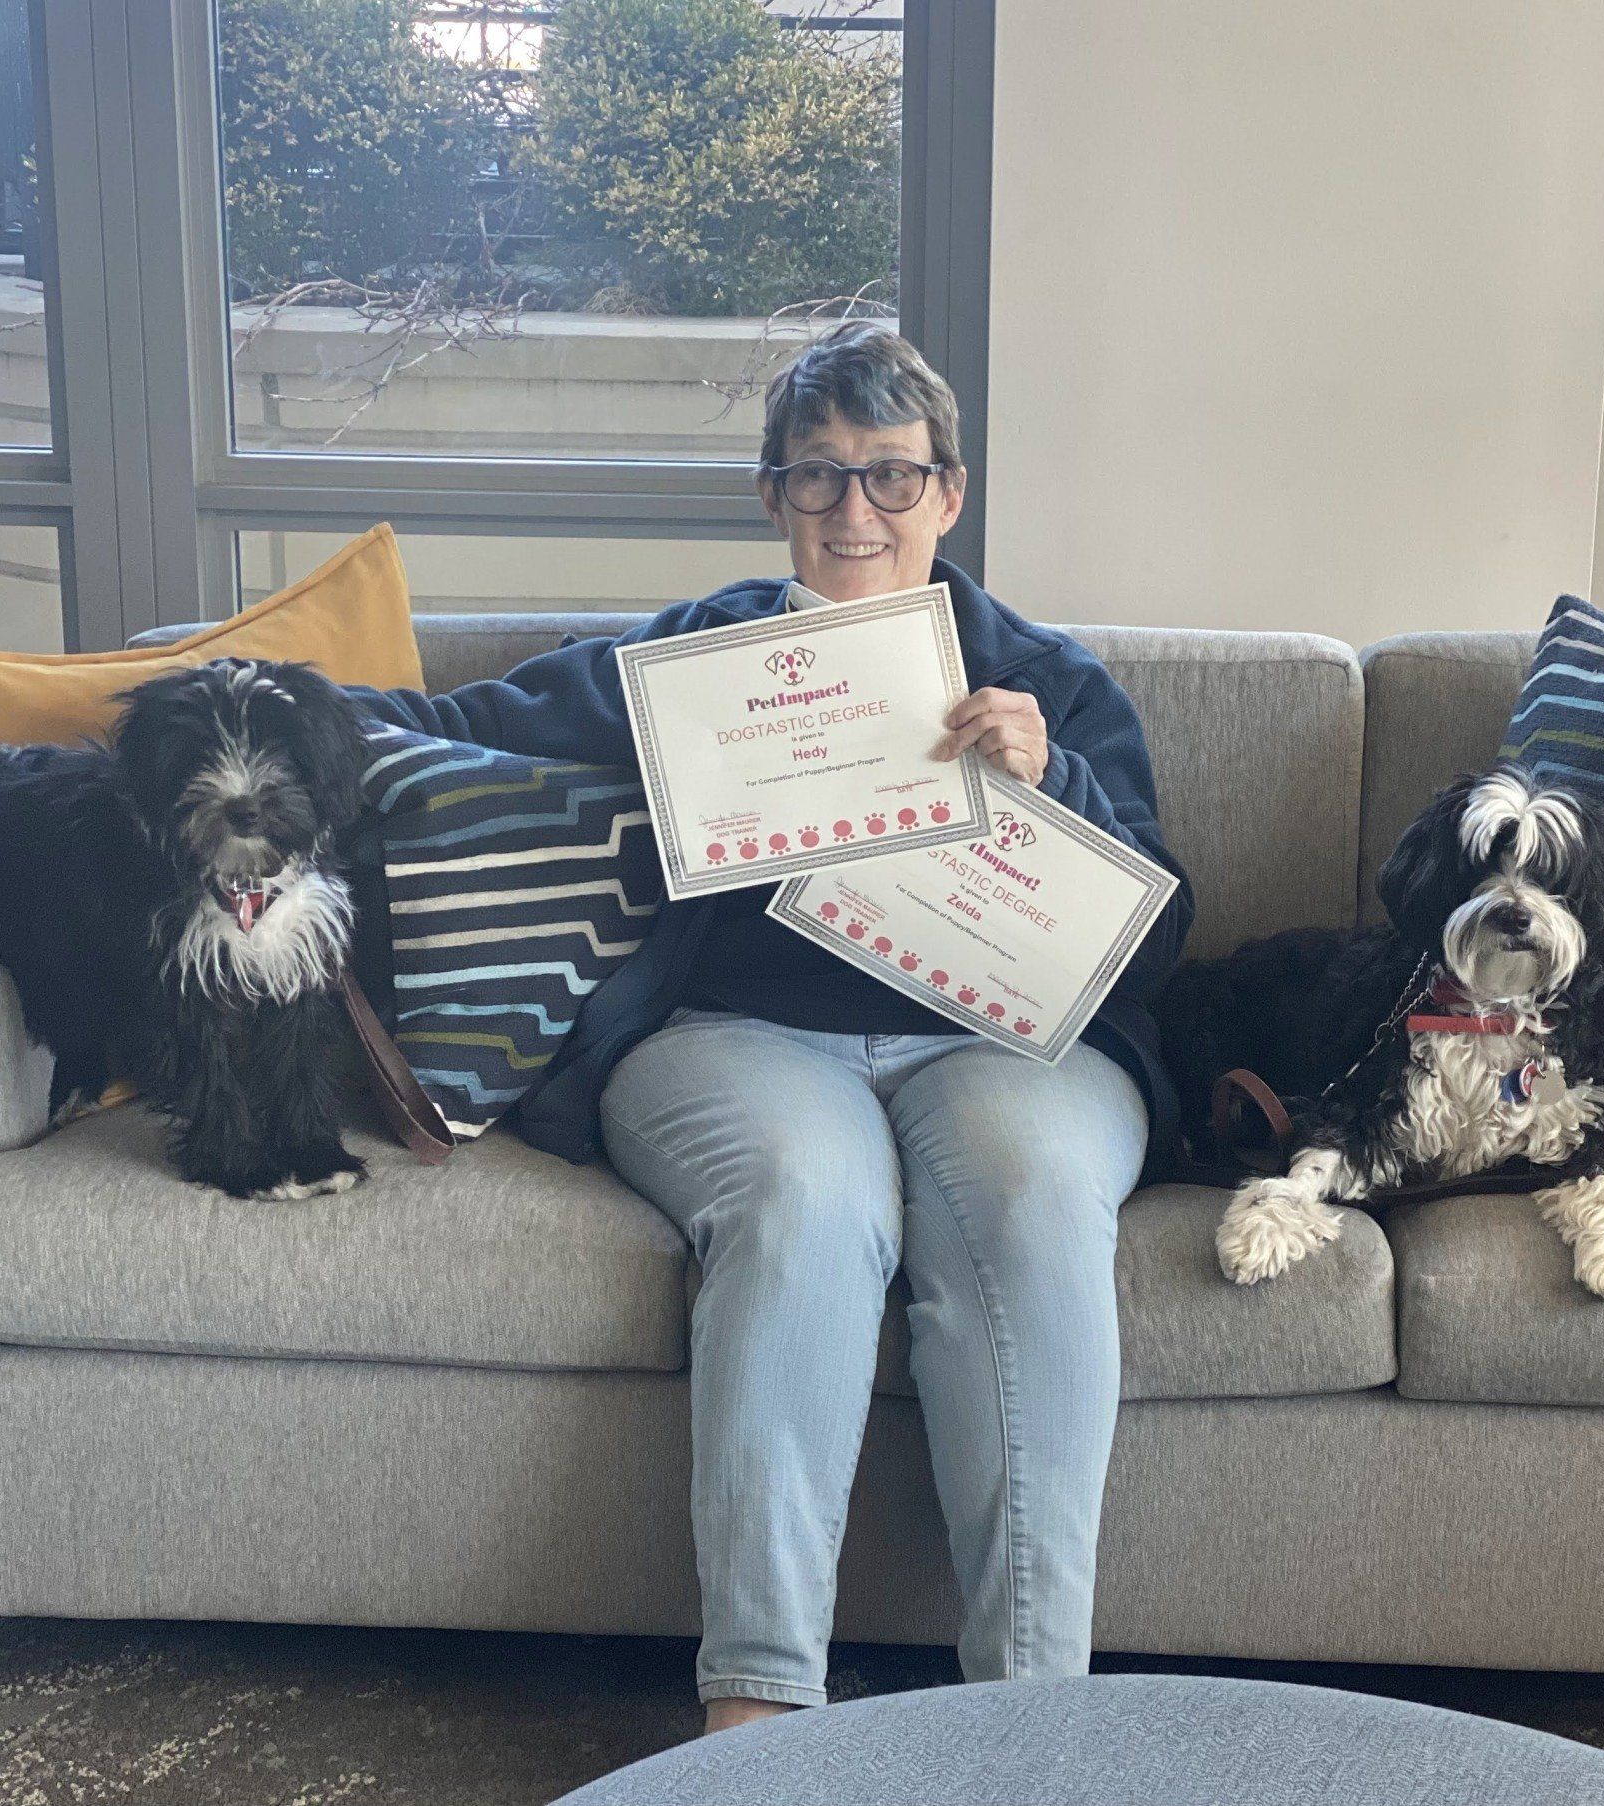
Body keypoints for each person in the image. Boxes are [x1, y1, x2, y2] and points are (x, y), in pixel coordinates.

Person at [346, 323, 1193, 1738]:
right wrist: (220, 702)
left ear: (951, 493)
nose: (855, 511)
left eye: (889, 475)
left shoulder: (1053, 679)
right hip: (741, 1040)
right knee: (809, 1192)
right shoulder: (701, 660)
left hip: (1002, 1046)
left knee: (1039, 1200)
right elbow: (458, 723)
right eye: (817, 477)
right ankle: (754, 1716)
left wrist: (1058, 789)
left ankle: (1036, 1721)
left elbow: (1155, 941)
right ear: (771, 497)